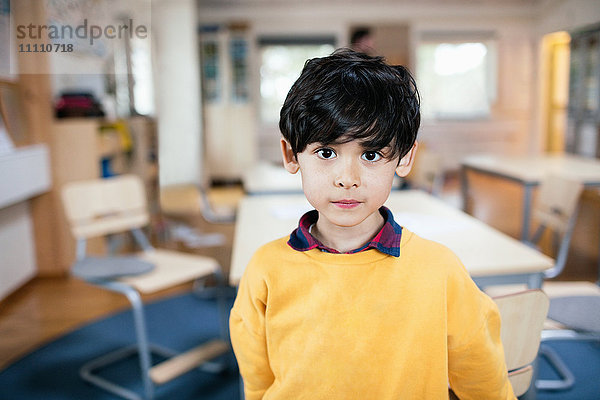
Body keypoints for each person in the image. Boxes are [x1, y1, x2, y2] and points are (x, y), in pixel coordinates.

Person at [229, 49, 515, 400]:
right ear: (291, 155)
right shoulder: (265, 270)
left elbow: (484, 382)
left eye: (371, 155)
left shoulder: (440, 271)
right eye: (327, 153)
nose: (347, 179)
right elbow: (257, 383)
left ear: (405, 157)